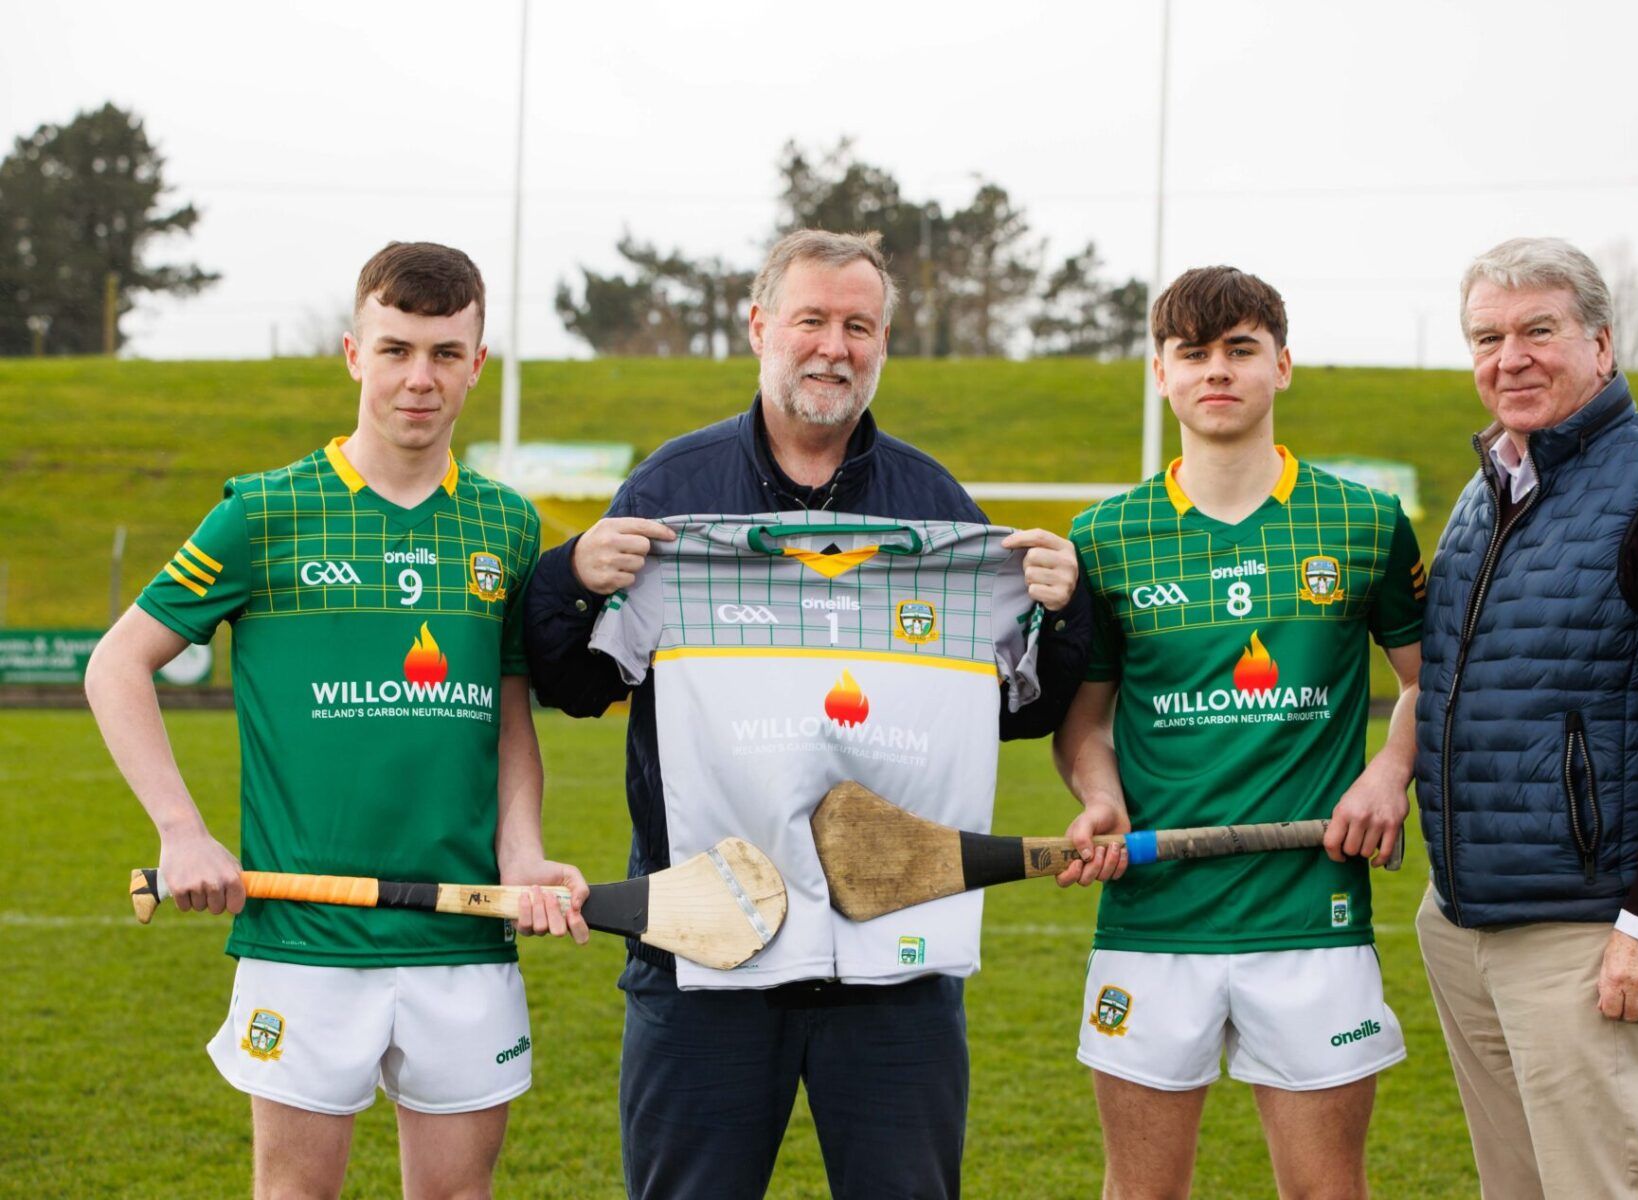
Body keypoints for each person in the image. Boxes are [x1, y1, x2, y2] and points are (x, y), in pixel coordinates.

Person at [524, 228, 1091, 1200]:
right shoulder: (673, 492)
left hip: (894, 957)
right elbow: (577, 686)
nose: (835, 346)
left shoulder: (938, 509)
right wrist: (570, 576)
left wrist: (1062, 613)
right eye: (813, 319)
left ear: (882, 345)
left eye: (859, 326)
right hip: (703, 940)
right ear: (759, 326)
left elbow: (1000, 714)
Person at [86, 241, 589, 1200]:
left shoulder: (509, 527)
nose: (419, 378)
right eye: (395, 349)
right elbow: (117, 664)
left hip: (463, 936)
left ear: (477, 364)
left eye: (446, 353)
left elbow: (508, 718)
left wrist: (522, 853)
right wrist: (181, 832)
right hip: (303, 943)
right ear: (353, 352)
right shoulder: (265, 513)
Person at [1054, 265, 1424, 1198]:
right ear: (1161, 375)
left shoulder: (1365, 521)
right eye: (1193, 353)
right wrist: (1099, 798)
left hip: (1312, 917)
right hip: (1152, 915)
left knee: (1325, 1191)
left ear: (1283, 366)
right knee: (1142, 1192)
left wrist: (1389, 772)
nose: (1216, 371)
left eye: (1240, 350)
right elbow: (1084, 723)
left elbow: (1428, 685)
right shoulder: (1104, 537)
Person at [1413, 237, 1638, 1199]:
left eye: (1538, 331)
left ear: (1601, 345)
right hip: (1466, 921)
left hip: (1586, 928)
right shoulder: (1487, 495)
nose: (1508, 356)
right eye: (1487, 336)